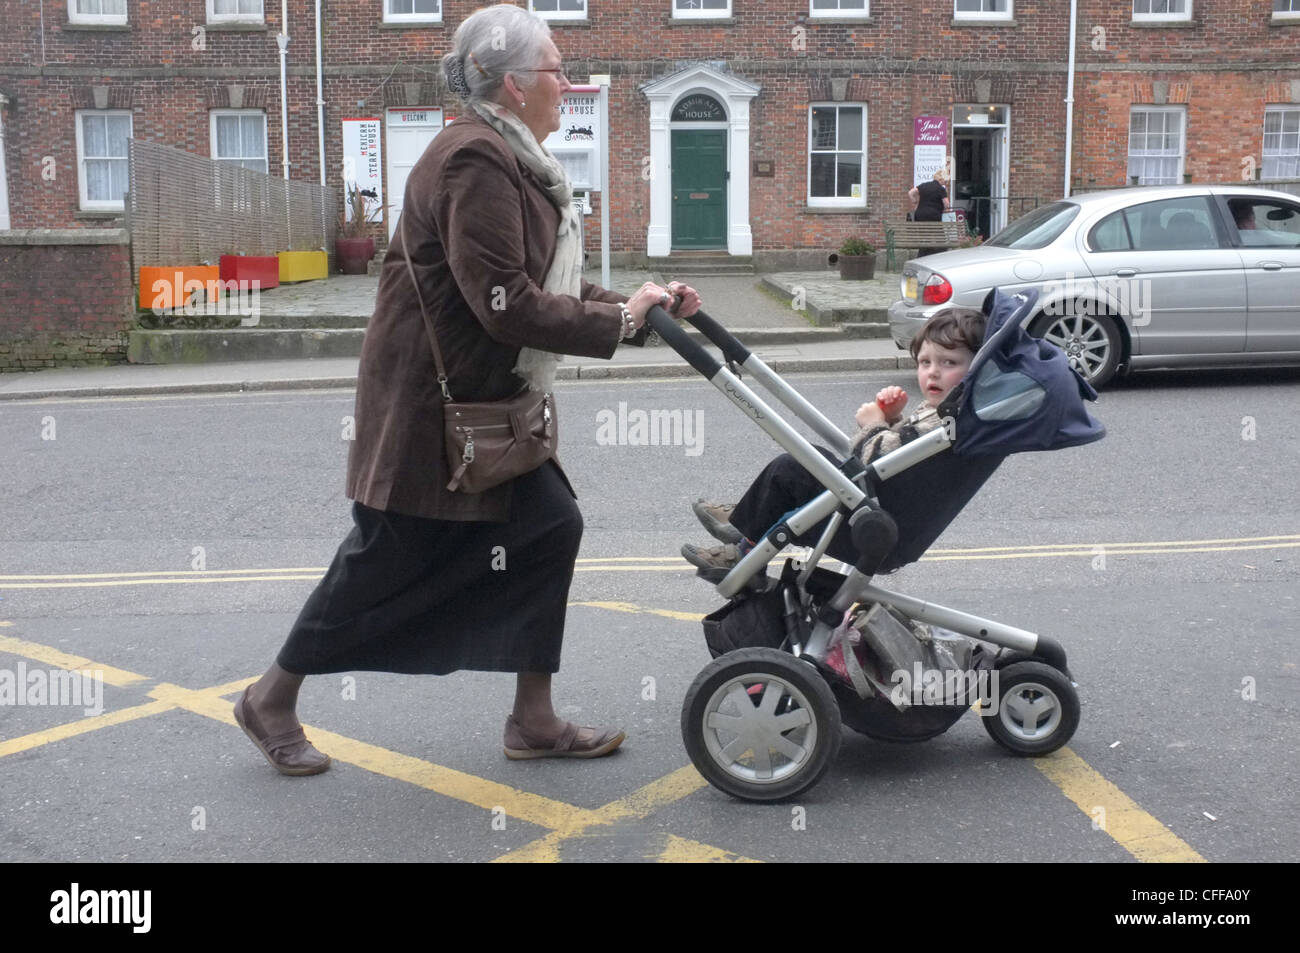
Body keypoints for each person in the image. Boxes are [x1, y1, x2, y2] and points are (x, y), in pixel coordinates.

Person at [233, 3, 702, 774]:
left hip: (486, 407)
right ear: (515, 85)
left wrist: (635, 305)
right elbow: (506, 304)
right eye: (557, 68)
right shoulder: (474, 162)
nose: (568, 81)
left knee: (551, 525)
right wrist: (619, 324)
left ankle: (533, 717)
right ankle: (271, 696)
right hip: (431, 411)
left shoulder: (512, 156)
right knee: (383, 558)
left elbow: (538, 280)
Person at [682, 307, 985, 577]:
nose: (933, 371)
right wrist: (893, 419)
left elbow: (879, 458)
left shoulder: (950, 420)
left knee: (794, 469)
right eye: (925, 362)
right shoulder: (947, 413)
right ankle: (748, 520)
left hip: (875, 530)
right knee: (808, 462)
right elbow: (908, 453)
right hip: (880, 514)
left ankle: (742, 544)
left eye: (949, 362)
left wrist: (874, 423)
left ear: (978, 368)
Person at [908, 169, 951, 256]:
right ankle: (938, 257)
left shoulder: (924, 185)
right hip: (933, 216)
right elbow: (946, 204)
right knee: (940, 238)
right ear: (941, 179)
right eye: (945, 181)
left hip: (920, 215)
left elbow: (911, 192)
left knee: (925, 237)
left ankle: (922, 255)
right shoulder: (941, 189)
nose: (945, 183)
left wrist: (915, 202)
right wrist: (946, 209)